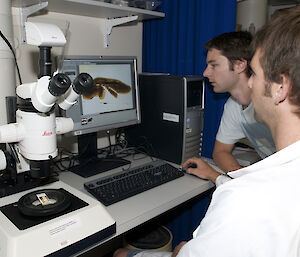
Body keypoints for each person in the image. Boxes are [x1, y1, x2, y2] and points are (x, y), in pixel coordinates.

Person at [114, 6, 300, 257]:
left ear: (280, 87)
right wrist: (216, 177)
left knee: (120, 254)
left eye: (254, 73)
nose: (251, 82)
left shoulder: (245, 201)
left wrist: (183, 251)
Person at [203, 31, 275, 173]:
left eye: (214, 65)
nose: (206, 73)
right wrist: (240, 179)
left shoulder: (274, 101)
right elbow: (220, 152)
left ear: (239, 65)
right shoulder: (233, 106)